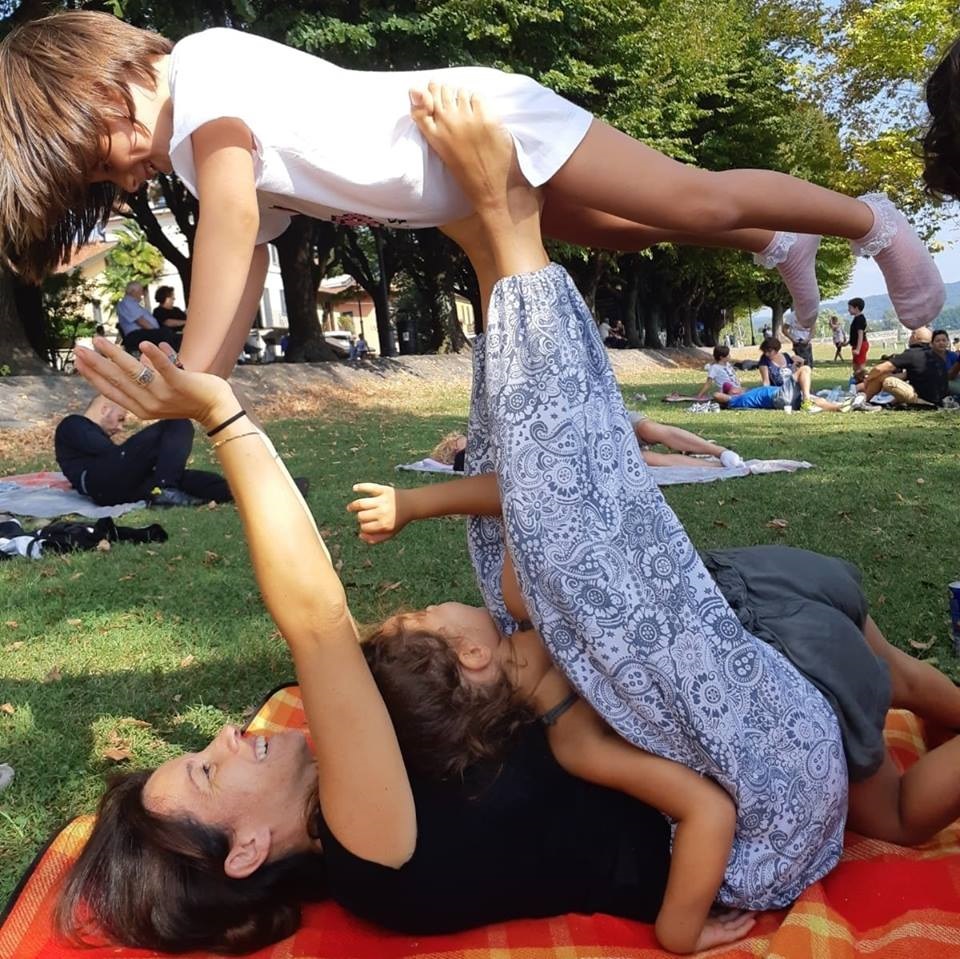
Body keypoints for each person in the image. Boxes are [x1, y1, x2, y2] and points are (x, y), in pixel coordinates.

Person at [353, 92, 960, 953]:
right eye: (418, 621)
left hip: (782, 741)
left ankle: (501, 235)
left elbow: (522, 475)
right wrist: (677, 933)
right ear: (472, 656)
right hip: (779, 775)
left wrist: (482, 244)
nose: (423, 606)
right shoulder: (564, 668)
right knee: (888, 694)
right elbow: (551, 459)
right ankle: (509, 228)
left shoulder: (541, 645)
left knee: (890, 769)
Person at [65, 338, 679, 954]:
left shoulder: (363, 800)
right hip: (708, 823)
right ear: (247, 850)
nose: (225, 736)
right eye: (206, 770)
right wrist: (221, 415)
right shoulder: (366, 851)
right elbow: (316, 618)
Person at [0, 12, 944, 380]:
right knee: (617, 236)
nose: (124, 175)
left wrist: (198, 378)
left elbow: (235, 222)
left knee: (690, 199)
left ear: (102, 79)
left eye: (103, 150)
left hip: (487, 124)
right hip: (464, 184)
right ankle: (774, 245)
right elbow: (246, 253)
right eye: (104, 182)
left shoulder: (202, 71)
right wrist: (191, 380)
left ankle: (875, 221)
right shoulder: (200, 156)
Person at [54, 393, 231, 507]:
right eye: (120, 418)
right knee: (178, 421)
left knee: (195, 480)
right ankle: (166, 490)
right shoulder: (73, 423)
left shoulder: (97, 440)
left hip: (123, 489)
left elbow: (123, 457)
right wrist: (150, 452)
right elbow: (108, 451)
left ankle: (238, 493)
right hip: (98, 480)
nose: (120, 427)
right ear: (105, 409)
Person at [863, 326, 949, 407]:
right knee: (884, 377)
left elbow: (879, 369)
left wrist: (868, 378)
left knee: (888, 381)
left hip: (922, 399)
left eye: (911, 334)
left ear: (915, 337)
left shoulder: (912, 353)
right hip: (939, 399)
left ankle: (864, 401)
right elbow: (907, 375)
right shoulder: (935, 355)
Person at [115, 282, 181, 354]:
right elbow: (140, 321)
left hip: (142, 332)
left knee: (173, 335)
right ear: (133, 292)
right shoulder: (127, 303)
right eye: (140, 291)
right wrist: (156, 331)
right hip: (136, 334)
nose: (142, 294)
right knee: (166, 334)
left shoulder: (133, 303)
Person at [848, 298, 869, 373]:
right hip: (856, 345)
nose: (848, 310)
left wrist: (858, 349)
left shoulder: (860, 319)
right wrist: (847, 342)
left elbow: (860, 335)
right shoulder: (856, 319)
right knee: (855, 367)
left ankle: (862, 382)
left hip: (860, 345)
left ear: (856, 308)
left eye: (850, 308)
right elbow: (854, 334)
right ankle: (856, 382)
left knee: (860, 368)